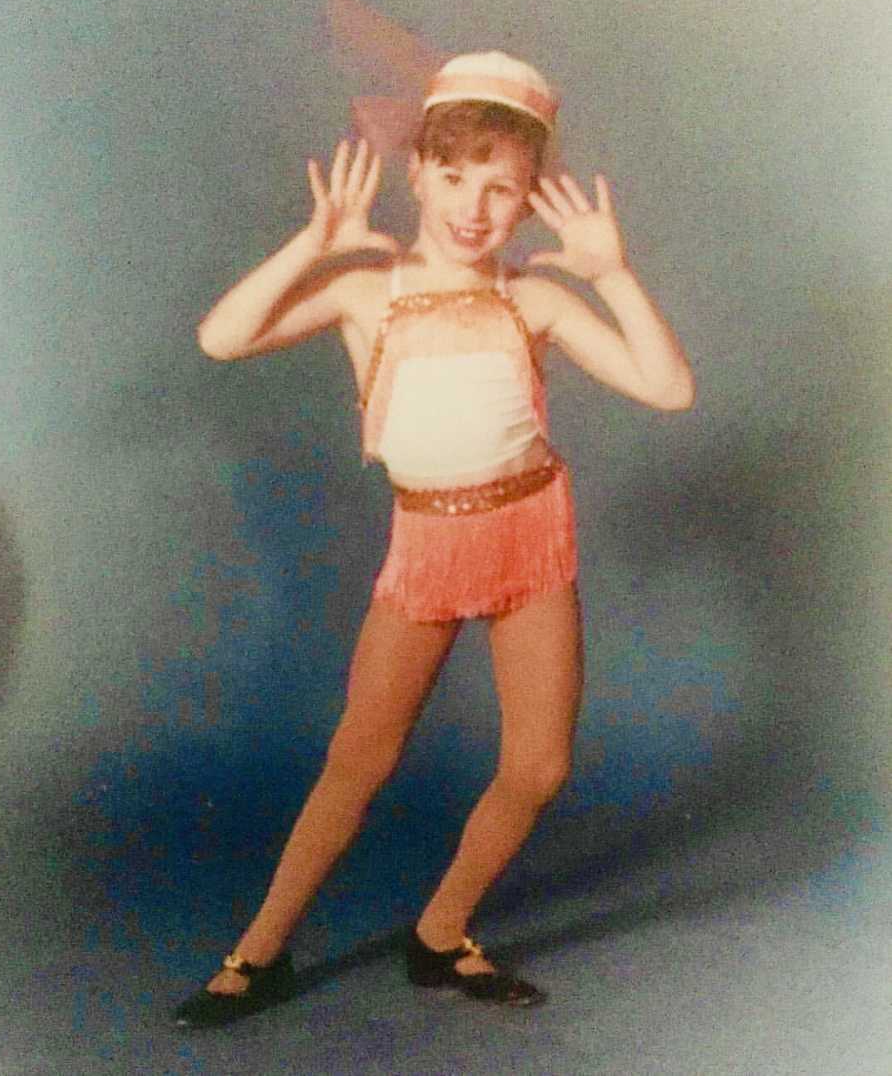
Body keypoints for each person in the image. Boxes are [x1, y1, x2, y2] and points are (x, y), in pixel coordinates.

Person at [174, 51, 695, 1028]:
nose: (474, 205)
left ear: (530, 202)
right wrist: (315, 242)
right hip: (427, 545)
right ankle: (259, 952)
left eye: (503, 188)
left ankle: (441, 929)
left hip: (531, 536)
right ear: (416, 172)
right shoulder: (368, 292)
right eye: (455, 175)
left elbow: (667, 389)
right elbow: (222, 337)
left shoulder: (531, 299)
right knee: (357, 763)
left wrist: (614, 274)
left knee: (540, 765)